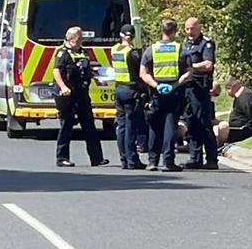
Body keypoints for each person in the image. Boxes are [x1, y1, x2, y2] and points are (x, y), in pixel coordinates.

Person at [140, 18, 192, 172]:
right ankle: (168, 162)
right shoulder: (180, 49)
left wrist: (156, 85)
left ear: (161, 31)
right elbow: (189, 71)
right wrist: (175, 84)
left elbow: (143, 73)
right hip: (174, 92)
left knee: (154, 127)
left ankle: (152, 161)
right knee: (170, 126)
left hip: (157, 93)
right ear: (175, 31)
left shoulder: (151, 50)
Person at [53, 26, 109, 167]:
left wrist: (96, 78)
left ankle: (97, 158)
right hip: (67, 94)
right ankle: (62, 158)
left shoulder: (82, 52)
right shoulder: (62, 53)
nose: (81, 41)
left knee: (89, 124)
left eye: (81, 38)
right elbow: (56, 71)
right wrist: (63, 87)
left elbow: (85, 70)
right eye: (79, 39)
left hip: (82, 93)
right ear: (71, 39)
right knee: (67, 125)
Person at [181, 17, 219, 170]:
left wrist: (191, 67)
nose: (190, 32)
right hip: (187, 87)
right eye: (187, 29)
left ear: (199, 27)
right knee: (191, 122)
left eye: (192, 28)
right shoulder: (184, 45)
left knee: (203, 123)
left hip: (200, 88)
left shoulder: (206, 44)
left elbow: (209, 64)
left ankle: (211, 159)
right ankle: (195, 157)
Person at [111, 24, 147, 170]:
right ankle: (132, 160)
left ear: (121, 35)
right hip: (130, 90)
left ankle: (124, 159)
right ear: (133, 36)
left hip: (118, 88)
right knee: (131, 126)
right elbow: (139, 74)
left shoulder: (115, 49)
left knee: (121, 126)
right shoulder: (132, 53)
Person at [214, 77, 252, 146]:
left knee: (222, 127)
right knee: (215, 127)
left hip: (241, 129)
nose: (227, 93)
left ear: (232, 87)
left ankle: (218, 147)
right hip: (236, 126)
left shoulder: (246, 96)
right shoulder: (239, 96)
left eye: (227, 89)